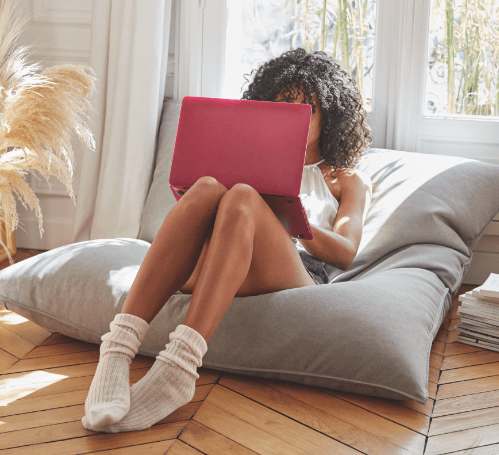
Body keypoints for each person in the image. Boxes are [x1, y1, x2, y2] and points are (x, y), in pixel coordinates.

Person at [82, 48, 373, 433]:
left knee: (243, 197)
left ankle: (178, 367)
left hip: (295, 270)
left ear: (330, 115)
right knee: (204, 189)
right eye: (284, 106)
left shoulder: (345, 179)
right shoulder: (251, 156)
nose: (296, 117)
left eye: (309, 109)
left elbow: (346, 253)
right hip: (221, 259)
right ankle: (117, 351)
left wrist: (284, 213)